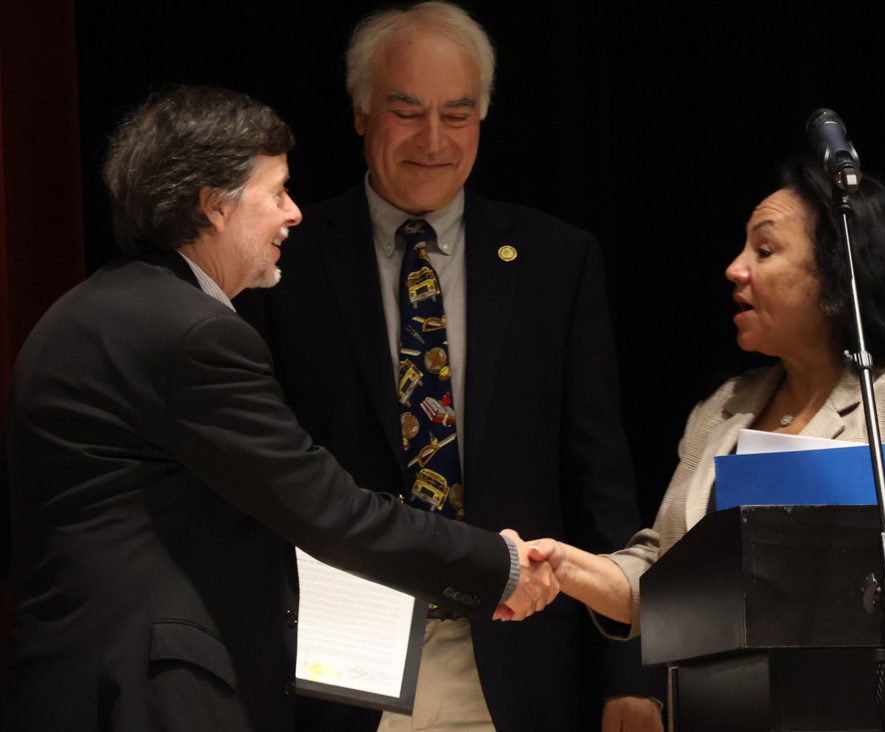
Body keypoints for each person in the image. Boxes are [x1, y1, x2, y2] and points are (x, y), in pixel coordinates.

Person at [3, 85, 558, 732]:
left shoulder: (94, 309)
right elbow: (328, 510)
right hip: (150, 694)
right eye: (277, 193)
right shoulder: (194, 335)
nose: (294, 214)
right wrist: (502, 565)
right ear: (215, 206)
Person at [236, 2, 663, 731]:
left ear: (483, 117)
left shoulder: (556, 262)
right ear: (363, 113)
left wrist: (629, 674)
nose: (433, 141)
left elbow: (599, 479)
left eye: (457, 114)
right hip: (334, 674)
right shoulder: (285, 261)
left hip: (514, 667)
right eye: (407, 112)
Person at [544, 157, 885, 636]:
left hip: (858, 700)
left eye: (764, 251)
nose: (734, 268)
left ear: (835, 285)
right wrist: (562, 565)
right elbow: (666, 573)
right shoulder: (722, 409)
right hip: (721, 702)